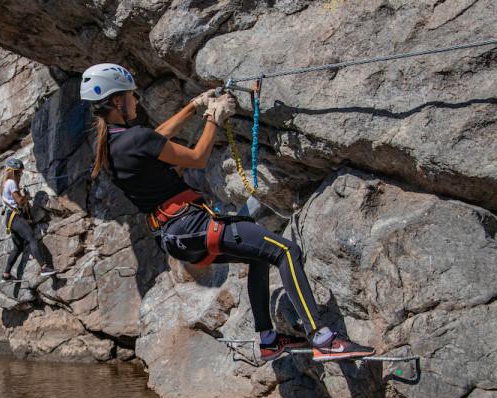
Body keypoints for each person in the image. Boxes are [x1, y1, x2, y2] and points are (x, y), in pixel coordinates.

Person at [79, 63, 375, 362]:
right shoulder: (136, 138)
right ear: (117, 101)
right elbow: (196, 157)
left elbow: (153, 138)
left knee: (258, 255)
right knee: (285, 251)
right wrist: (213, 116)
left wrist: (194, 106)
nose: (137, 100)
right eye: (132, 95)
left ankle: (269, 340)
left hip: (176, 235)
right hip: (191, 224)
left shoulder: (110, 145)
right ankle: (323, 338)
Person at [1, 158, 57, 280]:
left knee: (18, 248)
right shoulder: (11, 183)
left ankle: (6, 274)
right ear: (13, 172)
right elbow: (19, 201)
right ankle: (44, 268)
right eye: (19, 173)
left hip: (10, 218)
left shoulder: (6, 183)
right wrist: (26, 196)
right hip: (15, 218)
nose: (20, 175)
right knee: (32, 239)